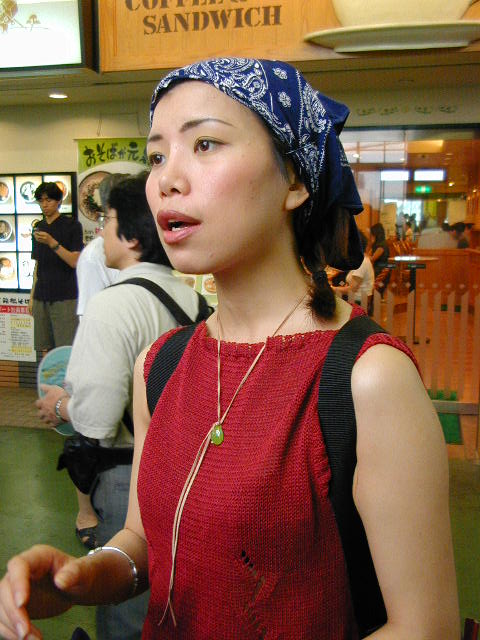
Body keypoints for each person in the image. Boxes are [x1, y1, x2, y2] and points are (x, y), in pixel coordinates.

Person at [0, 58, 459, 640]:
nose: (166, 180)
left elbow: (426, 627)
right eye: (157, 156)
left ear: (294, 181)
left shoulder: (367, 376)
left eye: (206, 144)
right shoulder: (161, 364)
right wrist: (85, 577)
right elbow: (144, 540)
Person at [34, 172, 206, 640]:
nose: (101, 232)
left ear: (131, 236)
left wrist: (61, 406)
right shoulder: (193, 301)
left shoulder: (112, 306)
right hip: (184, 469)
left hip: (125, 476)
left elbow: (97, 419)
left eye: (107, 221)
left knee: (126, 601)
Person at [29, 182, 84, 354]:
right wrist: (31, 297)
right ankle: (48, 374)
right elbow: (38, 265)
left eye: (49, 200)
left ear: (59, 201)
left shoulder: (72, 226)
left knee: (65, 349)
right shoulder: (38, 228)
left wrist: (52, 242)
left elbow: (74, 261)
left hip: (65, 296)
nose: (44, 205)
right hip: (41, 296)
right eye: (41, 201)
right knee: (44, 347)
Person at [332, 231, 374, 305]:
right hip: (356, 300)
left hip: (358, 303)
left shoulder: (362, 263)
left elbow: (351, 290)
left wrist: (331, 288)